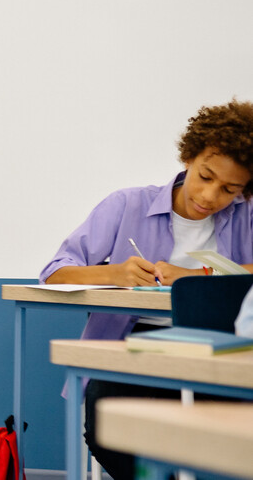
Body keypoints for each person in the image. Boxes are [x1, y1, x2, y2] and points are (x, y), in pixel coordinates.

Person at [39, 98, 253, 480]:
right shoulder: (126, 205)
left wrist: (199, 277)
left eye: (229, 189)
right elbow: (55, 274)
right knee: (109, 431)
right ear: (189, 156)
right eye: (205, 176)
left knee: (226, 442)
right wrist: (114, 274)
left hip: (216, 350)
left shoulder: (246, 216)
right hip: (130, 345)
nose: (210, 197)